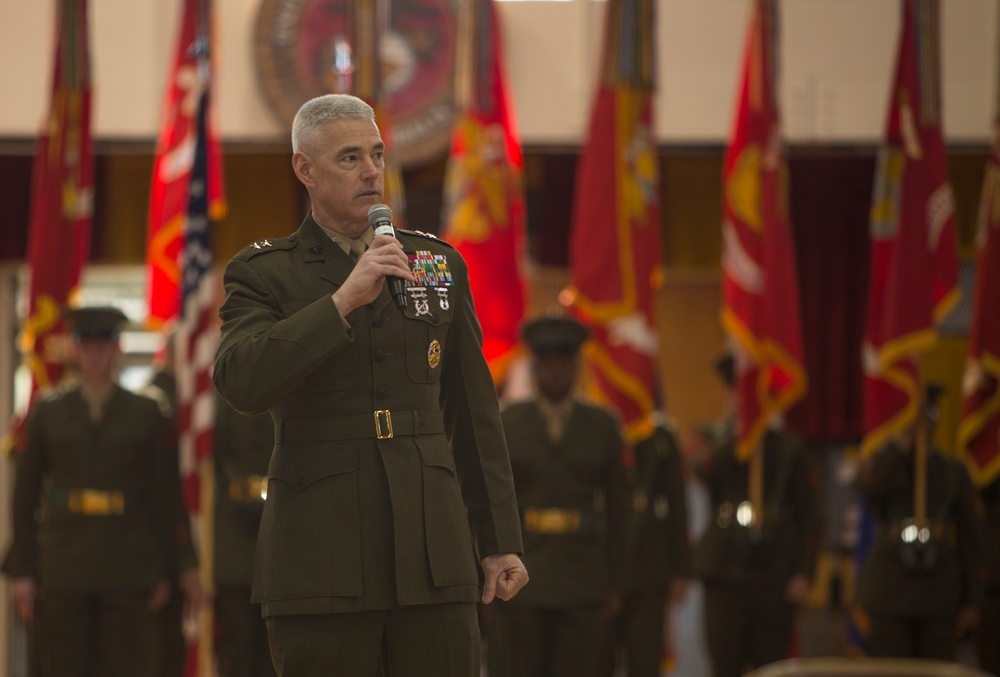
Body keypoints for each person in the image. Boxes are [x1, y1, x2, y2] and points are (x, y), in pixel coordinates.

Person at [212, 93, 527, 677]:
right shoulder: (264, 272)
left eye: (377, 155)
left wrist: (498, 537)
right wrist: (342, 300)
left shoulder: (435, 264)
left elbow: (473, 412)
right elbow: (242, 380)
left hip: (432, 553)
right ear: (305, 169)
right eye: (350, 158)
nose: (372, 172)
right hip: (321, 557)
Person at [9, 306, 200, 677]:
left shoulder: (147, 412)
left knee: (128, 666)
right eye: (86, 345)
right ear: (73, 350)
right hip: (64, 564)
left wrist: (170, 567)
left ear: (118, 349)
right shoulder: (47, 412)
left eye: (104, 345)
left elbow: (165, 497)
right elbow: (24, 498)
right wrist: (24, 571)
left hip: (128, 561)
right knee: (63, 667)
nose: (95, 354)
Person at [489, 314, 634, 677]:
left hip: (583, 575)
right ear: (535, 367)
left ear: (576, 367)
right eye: (547, 364)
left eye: (563, 364)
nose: (555, 372)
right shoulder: (507, 423)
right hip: (523, 573)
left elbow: (620, 509)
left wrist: (616, 580)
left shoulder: (602, 425)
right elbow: (490, 501)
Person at [691, 352, 818, 677]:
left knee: (771, 667)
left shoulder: (788, 446)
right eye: (736, 390)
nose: (742, 398)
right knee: (724, 665)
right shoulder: (711, 437)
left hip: (774, 573)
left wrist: (805, 571)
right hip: (724, 571)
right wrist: (739, 432)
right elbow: (704, 472)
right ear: (726, 394)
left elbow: (808, 515)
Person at [854, 383, 981, 660]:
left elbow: (970, 538)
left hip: (940, 591)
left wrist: (971, 598)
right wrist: (902, 443)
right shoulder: (886, 462)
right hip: (890, 588)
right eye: (917, 413)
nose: (924, 421)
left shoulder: (953, 470)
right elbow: (868, 491)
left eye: (930, 413)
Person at [595, 414, 692, 677]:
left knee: (645, 663)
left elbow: (677, 504)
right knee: (596, 662)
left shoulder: (659, 436)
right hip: (600, 570)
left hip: (650, 570)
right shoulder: (594, 426)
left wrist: (682, 567)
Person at [212, 395, 278, 677]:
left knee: (275, 649)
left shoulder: (289, 385)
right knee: (237, 647)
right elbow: (213, 457)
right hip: (232, 534)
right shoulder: (222, 395)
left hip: (280, 530)